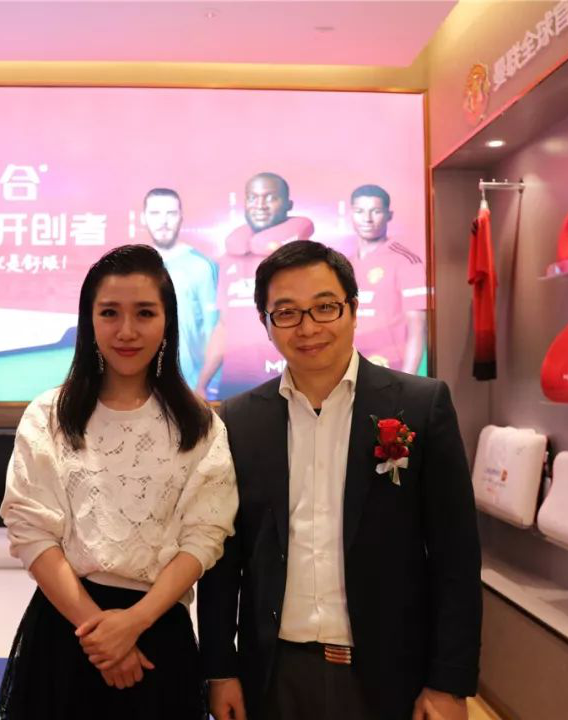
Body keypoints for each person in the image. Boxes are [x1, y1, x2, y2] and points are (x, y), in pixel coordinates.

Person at [199, 240, 481, 720]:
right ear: (267, 324)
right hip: (274, 673)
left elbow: (455, 556)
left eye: (325, 307)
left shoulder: (419, 405)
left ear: (352, 309)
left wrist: (449, 684)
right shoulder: (239, 420)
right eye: (286, 313)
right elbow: (224, 561)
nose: (308, 327)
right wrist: (220, 670)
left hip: (389, 673)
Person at [0, 244, 238, 719]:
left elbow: (205, 537)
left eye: (144, 313)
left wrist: (134, 624)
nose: (127, 330)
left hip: (158, 634)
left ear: (166, 321)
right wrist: (100, 632)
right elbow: (31, 531)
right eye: (110, 313)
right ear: (89, 321)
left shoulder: (199, 425)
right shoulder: (48, 416)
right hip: (68, 632)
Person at [197, 172, 314, 397]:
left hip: (288, 384)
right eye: (252, 197)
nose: (260, 205)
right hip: (234, 385)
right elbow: (224, 326)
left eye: (270, 197)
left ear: (288, 204)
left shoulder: (307, 259)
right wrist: (202, 383)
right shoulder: (228, 260)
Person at [140, 188, 221, 398]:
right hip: (140, 391)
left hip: (190, 390)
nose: (163, 221)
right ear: (143, 218)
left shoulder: (202, 266)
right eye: (155, 213)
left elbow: (215, 332)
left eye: (171, 213)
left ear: (181, 218)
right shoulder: (133, 267)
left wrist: (203, 386)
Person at [349, 184, 428, 375]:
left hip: (391, 370)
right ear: (351, 215)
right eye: (360, 211)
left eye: (375, 211)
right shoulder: (345, 264)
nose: (367, 219)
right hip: (351, 370)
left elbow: (418, 327)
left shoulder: (407, 261)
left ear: (389, 215)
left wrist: (408, 380)